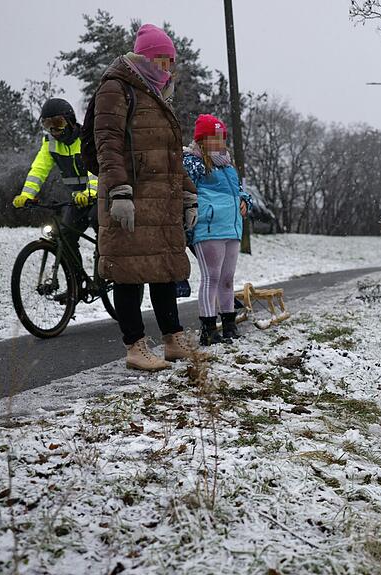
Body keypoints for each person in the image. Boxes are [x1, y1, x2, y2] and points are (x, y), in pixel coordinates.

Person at [93, 23, 198, 371]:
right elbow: (107, 145)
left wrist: (188, 195)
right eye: (163, 60)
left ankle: (173, 340)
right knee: (129, 272)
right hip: (132, 199)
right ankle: (135, 347)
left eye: (171, 62)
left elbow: (172, 156)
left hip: (162, 202)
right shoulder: (117, 88)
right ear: (146, 58)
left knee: (164, 270)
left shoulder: (159, 95)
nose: (168, 68)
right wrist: (118, 192)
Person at [183, 114, 252, 345]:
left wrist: (245, 200)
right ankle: (209, 329)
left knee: (227, 279)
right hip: (209, 229)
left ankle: (230, 325)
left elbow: (239, 191)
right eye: (214, 137)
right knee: (211, 277)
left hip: (232, 228)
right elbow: (186, 193)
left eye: (222, 137)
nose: (220, 141)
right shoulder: (192, 162)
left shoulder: (228, 166)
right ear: (201, 139)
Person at [13, 98, 98, 283]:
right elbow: (38, 170)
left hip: (99, 194)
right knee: (65, 237)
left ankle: (103, 273)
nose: (53, 129)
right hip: (77, 198)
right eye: (47, 124)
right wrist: (26, 194)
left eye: (58, 123)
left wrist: (91, 192)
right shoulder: (50, 143)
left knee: (100, 225)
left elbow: (96, 169)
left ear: (70, 121)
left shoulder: (87, 138)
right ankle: (77, 284)